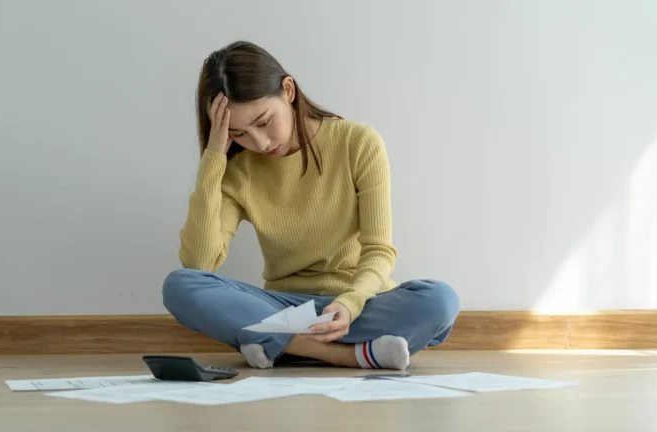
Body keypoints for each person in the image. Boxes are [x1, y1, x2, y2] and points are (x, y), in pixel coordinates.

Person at [162, 41, 459, 370]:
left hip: (356, 304)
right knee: (180, 286)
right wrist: (213, 158)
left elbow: (379, 250)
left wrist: (350, 302)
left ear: (288, 90)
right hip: (282, 308)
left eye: (263, 122)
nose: (260, 143)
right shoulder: (239, 171)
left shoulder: (357, 143)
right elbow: (199, 263)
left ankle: (278, 345)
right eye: (239, 133)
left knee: (439, 300)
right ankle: (348, 354)